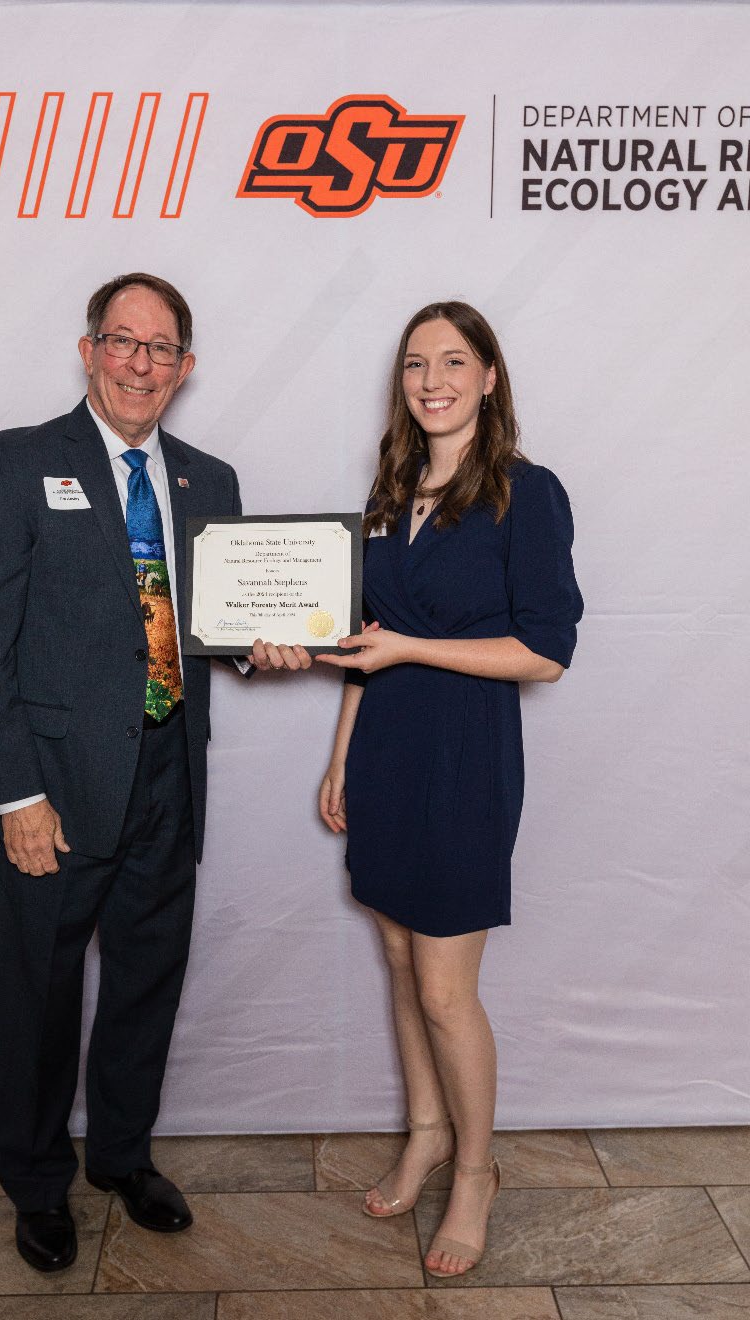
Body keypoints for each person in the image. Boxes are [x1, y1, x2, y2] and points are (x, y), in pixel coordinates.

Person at [0, 273, 309, 1273]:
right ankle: (35, 1182)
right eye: (122, 341)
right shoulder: (19, 464)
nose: (140, 364)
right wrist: (15, 792)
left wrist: (261, 644)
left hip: (168, 776)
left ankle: (119, 1156)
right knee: (40, 993)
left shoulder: (209, 480)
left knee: (148, 980)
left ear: (184, 368)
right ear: (88, 350)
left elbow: (215, 621)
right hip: (53, 790)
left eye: (160, 349)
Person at [317, 301, 583, 1279]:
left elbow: (544, 653)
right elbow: (361, 640)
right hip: (384, 747)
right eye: (416, 364)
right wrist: (342, 752)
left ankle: (474, 1170)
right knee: (395, 953)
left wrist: (408, 649)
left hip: (465, 756)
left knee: (443, 987)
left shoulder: (525, 491)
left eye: (453, 362)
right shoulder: (389, 492)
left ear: (488, 378)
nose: (432, 379)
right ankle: (425, 1131)